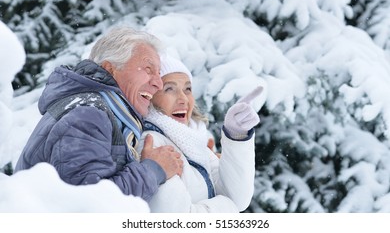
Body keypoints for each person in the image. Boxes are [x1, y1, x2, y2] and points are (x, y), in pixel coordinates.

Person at [14, 27, 183, 202]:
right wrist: (154, 170)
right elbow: (91, 204)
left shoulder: (99, 111)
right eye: (148, 69)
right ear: (110, 68)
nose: (158, 84)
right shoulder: (88, 115)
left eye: (159, 73)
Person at [138, 55, 262, 212]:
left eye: (187, 89)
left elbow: (238, 197)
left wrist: (237, 136)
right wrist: (228, 209)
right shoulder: (151, 143)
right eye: (169, 89)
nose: (183, 99)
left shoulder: (192, 143)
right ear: (151, 97)